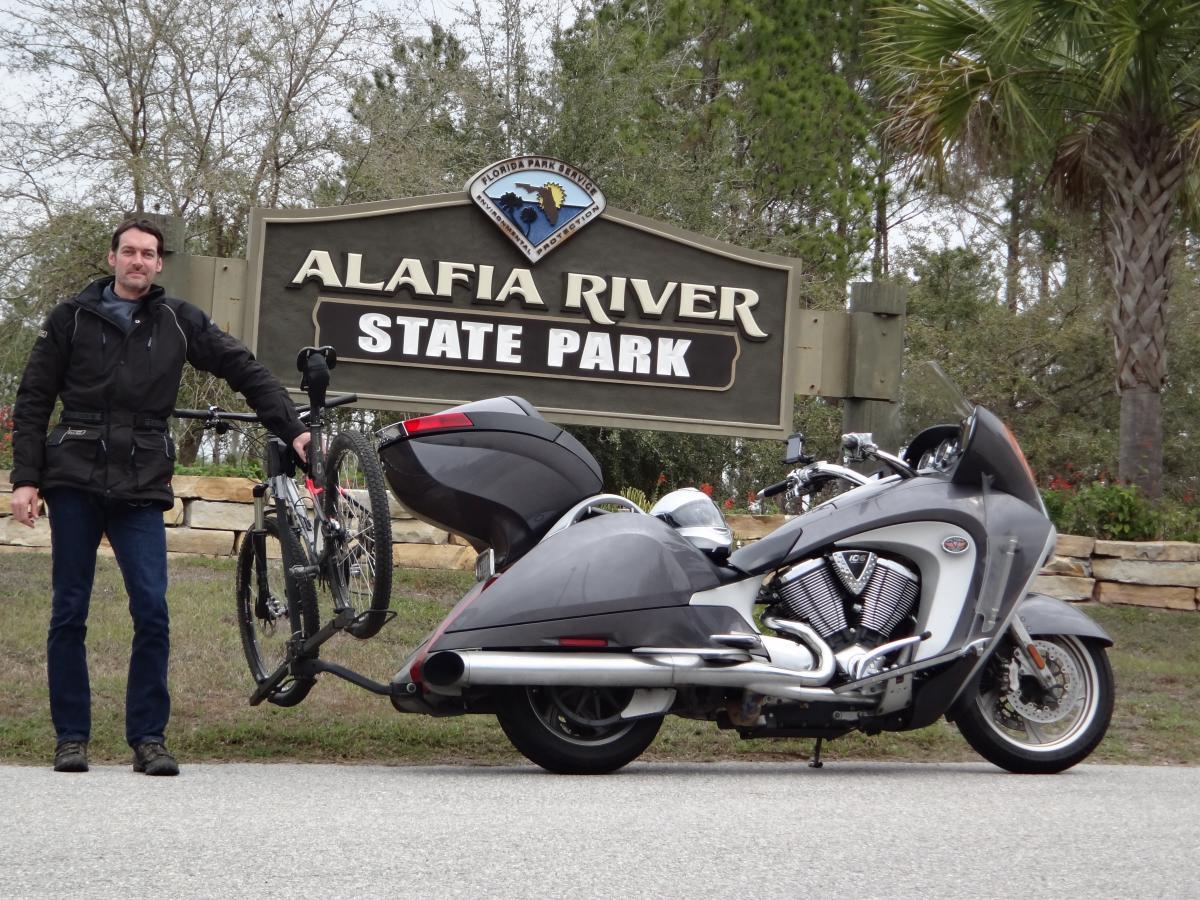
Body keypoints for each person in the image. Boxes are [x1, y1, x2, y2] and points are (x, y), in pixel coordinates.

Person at [9, 218, 311, 775]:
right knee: (68, 611)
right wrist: (25, 479)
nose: (138, 262)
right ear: (112, 258)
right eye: (129, 252)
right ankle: (70, 737)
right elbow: (33, 400)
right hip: (73, 474)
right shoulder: (70, 318)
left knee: (152, 609)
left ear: (159, 264)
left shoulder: (179, 319)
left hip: (142, 480)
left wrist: (293, 429)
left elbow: (242, 368)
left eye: (148, 254)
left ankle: (148, 738)